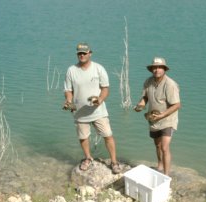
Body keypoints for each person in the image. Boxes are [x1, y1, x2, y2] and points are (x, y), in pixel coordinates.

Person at [63, 42, 120, 174]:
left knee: (108, 135)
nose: (81, 55)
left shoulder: (98, 68)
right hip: (79, 111)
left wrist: (99, 100)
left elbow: (105, 89)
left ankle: (114, 161)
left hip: (98, 111)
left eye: (84, 53)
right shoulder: (71, 70)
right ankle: (88, 158)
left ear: (90, 53)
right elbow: (68, 90)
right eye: (79, 53)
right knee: (83, 137)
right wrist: (68, 101)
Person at [134, 57, 181, 176]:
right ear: (151, 69)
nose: (157, 70)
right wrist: (141, 105)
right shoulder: (148, 82)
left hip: (168, 119)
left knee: (165, 147)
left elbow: (177, 105)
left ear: (164, 69)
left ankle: (166, 175)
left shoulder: (170, 84)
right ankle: (159, 165)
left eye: (160, 67)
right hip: (153, 119)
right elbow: (145, 97)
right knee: (157, 145)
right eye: (155, 67)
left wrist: (162, 115)